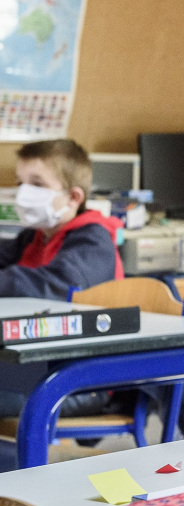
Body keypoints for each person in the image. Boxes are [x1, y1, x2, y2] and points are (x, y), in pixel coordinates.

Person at [0, 139, 123, 421]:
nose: (24, 194)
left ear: (74, 197)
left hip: (79, 380)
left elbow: (50, 285)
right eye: (21, 183)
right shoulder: (35, 236)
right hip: (35, 365)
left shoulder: (93, 241)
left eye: (38, 185)